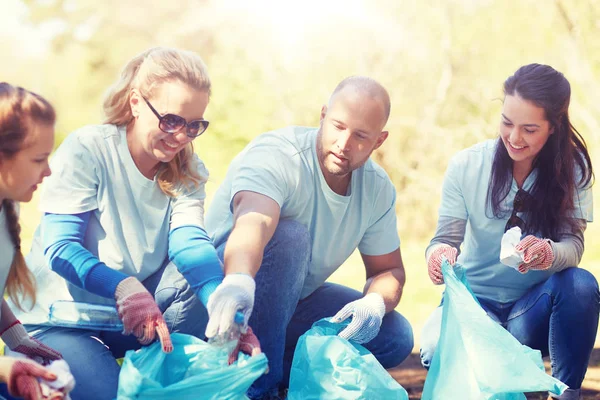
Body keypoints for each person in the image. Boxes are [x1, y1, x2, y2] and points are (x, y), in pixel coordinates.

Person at [10, 47, 260, 400]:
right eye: (171, 120)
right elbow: (60, 248)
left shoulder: (187, 166)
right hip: (58, 321)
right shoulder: (89, 149)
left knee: (214, 270)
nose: (181, 137)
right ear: (136, 102)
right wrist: (123, 286)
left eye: (194, 126)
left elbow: (189, 243)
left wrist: (228, 316)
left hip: (129, 316)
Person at [205, 76, 414, 399]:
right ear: (322, 115)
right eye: (338, 126)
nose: (344, 144)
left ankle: (245, 369)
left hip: (283, 307)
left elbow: (388, 271)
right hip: (218, 298)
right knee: (289, 237)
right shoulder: (280, 155)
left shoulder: (376, 188)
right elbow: (254, 224)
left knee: (394, 334)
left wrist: (374, 303)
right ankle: (258, 390)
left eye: (360, 136)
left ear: (379, 140)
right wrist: (239, 279)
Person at [421, 64, 598, 400]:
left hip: (530, 312)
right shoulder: (467, 165)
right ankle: (508, 377)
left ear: (553, 127)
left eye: (529, 129)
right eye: (506, 123)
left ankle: (564, 393)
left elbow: (573, 246)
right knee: (431, 347)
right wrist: (438, 256)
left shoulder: (573, 171)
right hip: (474, 307)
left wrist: (548, 252)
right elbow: (444, 238)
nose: (514, 138)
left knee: (581, 285)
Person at [0, 83, 65, 400]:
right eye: (39, 159)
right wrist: (5, 369)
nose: (49, 171)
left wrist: (16, 336)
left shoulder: (7, 203)